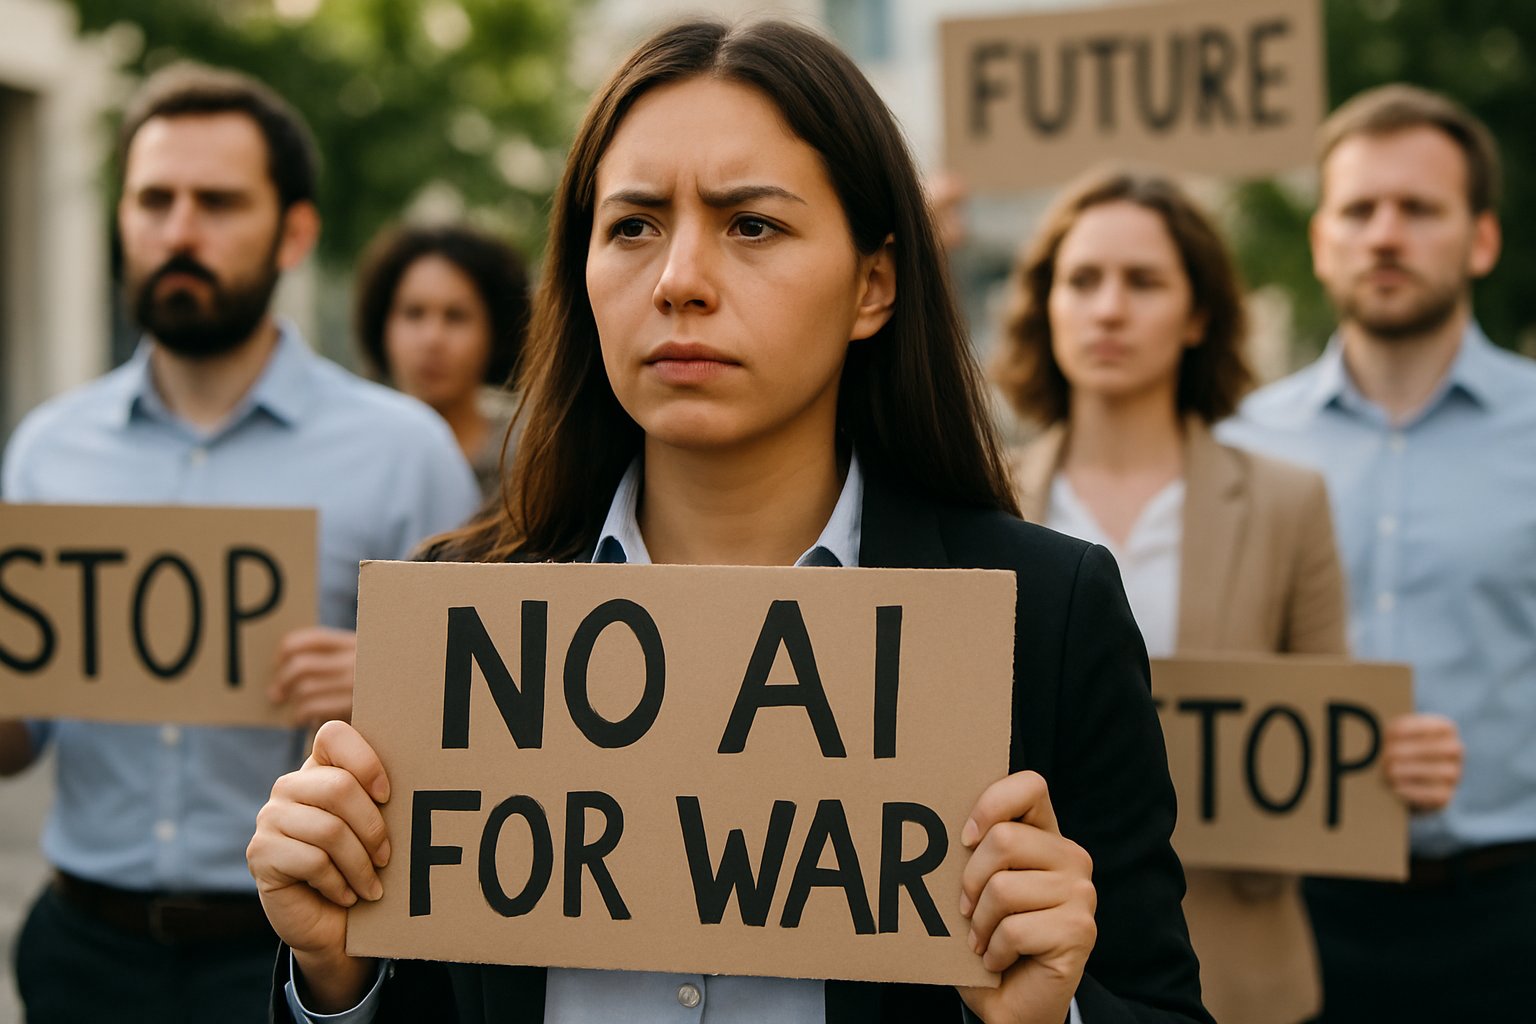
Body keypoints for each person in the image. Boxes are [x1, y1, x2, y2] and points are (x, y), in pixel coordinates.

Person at [246, 18, 1211, 1024]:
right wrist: (336, 978)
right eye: (633, 226)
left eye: (751, 225)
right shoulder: (456, 617)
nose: (678, 281)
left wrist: (1050, 1012)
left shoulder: (1047, 617)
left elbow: (1158, 998)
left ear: (874, 285)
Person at [0, 63, 479, 1022]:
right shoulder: (48, 449)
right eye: (154, 200)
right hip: (80, 947)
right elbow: (18, 741)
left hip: (303, 953)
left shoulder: (404, 452)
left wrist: (385, 691)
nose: (179, 232)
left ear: (294, 233)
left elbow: (484, 741)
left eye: (217, 203)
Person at [993, 168, 1347, 1023]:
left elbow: (1327, 736)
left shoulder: (1289, 502)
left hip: (1243, 969)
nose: (1109, 309)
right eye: (1083, 280)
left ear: (1197, 315)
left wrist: (1379, 759)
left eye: (1143, 282)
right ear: (1046, 305)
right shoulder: (981, 503)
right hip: (1018, 965)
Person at [1223, 82, 1529, 1021]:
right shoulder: (1240, 446)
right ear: (1322, 241)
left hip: (1511, 914)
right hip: (1294, 914)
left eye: (1418, 209)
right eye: (1358, 211)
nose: (1385, 235)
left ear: (1482, 239)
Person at [354, 223, 530, 497]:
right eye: (414, 313)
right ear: (382, 326)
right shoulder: (352, 455)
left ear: (496, 332)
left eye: (456, 316)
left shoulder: (534, 457)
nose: (432, 339)